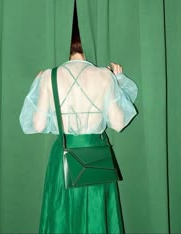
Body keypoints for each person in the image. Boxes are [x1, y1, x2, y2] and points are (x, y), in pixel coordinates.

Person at [19, 32, 138, 233]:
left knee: (61, 217)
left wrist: (37, 86)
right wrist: (118, 81)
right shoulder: (105, 76)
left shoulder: (50, 76)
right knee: (96, 216)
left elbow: (37, 125)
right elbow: (119, 123)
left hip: (63, 157)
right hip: (96, 157)